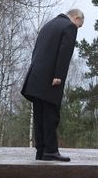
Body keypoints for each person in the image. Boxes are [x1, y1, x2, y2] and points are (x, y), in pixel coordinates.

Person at [21, 9, 84, 161]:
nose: (78, 28)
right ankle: (50, 151)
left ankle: (41, 151)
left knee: (39, 115)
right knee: (51, 115)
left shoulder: (49, 25)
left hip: (36, 77)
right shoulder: (69, 27)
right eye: (79, 25)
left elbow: (37, 51)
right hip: (51, 78)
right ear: (76, 18)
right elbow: (65, 53)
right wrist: (58, 75)